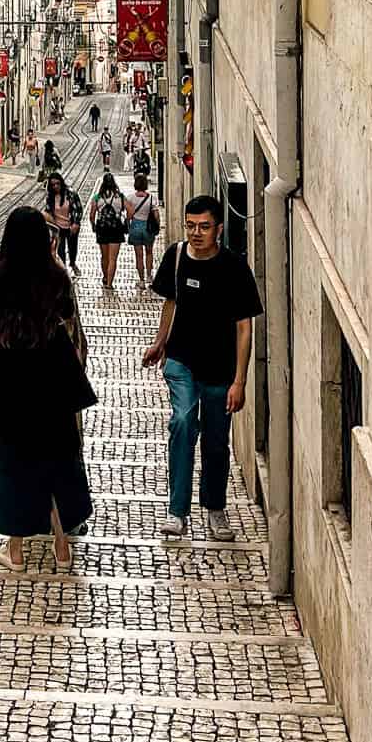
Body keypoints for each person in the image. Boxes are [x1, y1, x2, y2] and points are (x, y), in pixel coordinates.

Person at [0, 206, 96, 570]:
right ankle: (62, 548)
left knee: (13, 465)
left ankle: (15, 551)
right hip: (54, 380)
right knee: (58, 461)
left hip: (14, 380)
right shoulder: (56, 277)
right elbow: (65, 316)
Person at [141, 194, 263, 541]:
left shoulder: (235, 268)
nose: (196, 233)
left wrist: (240, 381)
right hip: (181, 362)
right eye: (191, 226)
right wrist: (160, 341)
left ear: (219, 229)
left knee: (214, 441)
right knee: (181, 422)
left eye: (204, 227)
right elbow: (171, 302)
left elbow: (244, 328)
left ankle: (215, 508)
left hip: (221, 370)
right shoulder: (176, 257)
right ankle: (176, 512)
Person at [88, 170, 127, 289]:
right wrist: (126, 220)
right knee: (113, 258)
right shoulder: (119, 197)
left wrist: (93, 225)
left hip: (102, 228)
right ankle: (110, 283)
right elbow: (130, 210)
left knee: (104, 256)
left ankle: (105, 276)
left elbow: (91, 214)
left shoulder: (97, 197)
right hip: (116, 229)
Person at [125, 170, 160, 289]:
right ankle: (149, 276)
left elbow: (129, 215)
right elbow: (156, 214)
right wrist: (157, 227)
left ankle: (141, 280)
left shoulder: (130, 198)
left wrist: (129, 225)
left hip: (135, 226)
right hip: (148, 228)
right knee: (149, 252)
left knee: (138, 255)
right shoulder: (151, 198)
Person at [42, 171, 82, 272]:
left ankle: (72, 263)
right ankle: (63, 270)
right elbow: (48, 211)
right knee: (60, 250)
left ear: (61, 183)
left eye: (57, 184)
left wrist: (76, 223)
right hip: (57, 227)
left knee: (72, 247)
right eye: (53, 184)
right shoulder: (50, 197)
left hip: (71, 226)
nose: (55, 186)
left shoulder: (71, 194)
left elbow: (78, 209)